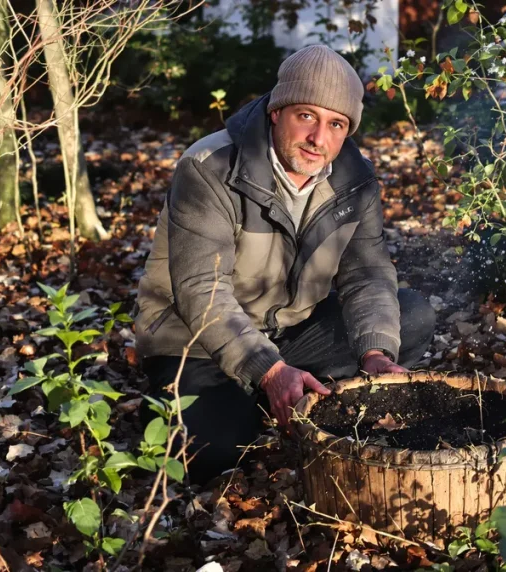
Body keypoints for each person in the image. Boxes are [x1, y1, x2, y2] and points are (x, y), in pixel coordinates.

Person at [135, 44, 435, 484]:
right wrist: (269, 370)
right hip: (194, 344)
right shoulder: (210, 168)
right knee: (208, 455)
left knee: (411, 316)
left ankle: (283, 392)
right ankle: (259, 395)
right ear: (276, 112)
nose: (319, 139)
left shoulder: (356, 179)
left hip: (290, 333)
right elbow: (200, 289)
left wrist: (374, 353)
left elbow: (367, 274)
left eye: (336, 124)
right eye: (306, 116)